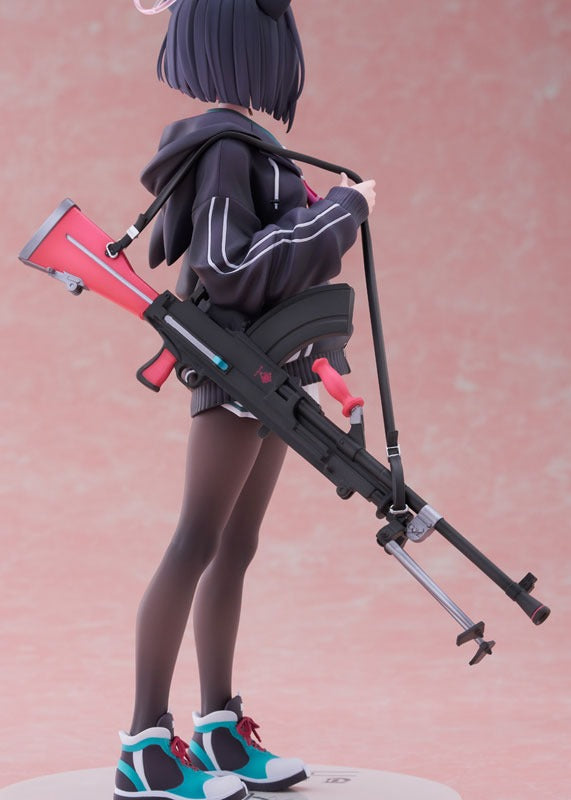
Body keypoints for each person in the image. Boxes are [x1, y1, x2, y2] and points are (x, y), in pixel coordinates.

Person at [114, 2, 376, 799]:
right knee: (196, 541)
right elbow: (229, 268)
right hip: (234, 372)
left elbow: (279, 270)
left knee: (235, 546)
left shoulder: (251, 146)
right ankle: (143, 745)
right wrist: (342, 211)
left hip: (272, 372)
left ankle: (218, 729)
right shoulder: (227, 148)